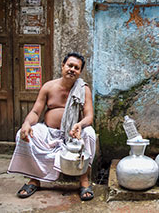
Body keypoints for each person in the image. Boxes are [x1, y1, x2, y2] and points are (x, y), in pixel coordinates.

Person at [7, 52, 96, 201]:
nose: (72, 69)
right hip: (49, 132)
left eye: (76, 67)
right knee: (26, 133)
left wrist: (80, 125)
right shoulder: (49, 87)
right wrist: (27, 123)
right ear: (62, 66)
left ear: (80, 72)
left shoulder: (83, 89)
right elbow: (36, 111)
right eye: (70, 65)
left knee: (90, 133)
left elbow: (89, 116)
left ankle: (84, 181)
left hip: (73, 134)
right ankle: (34, 179)